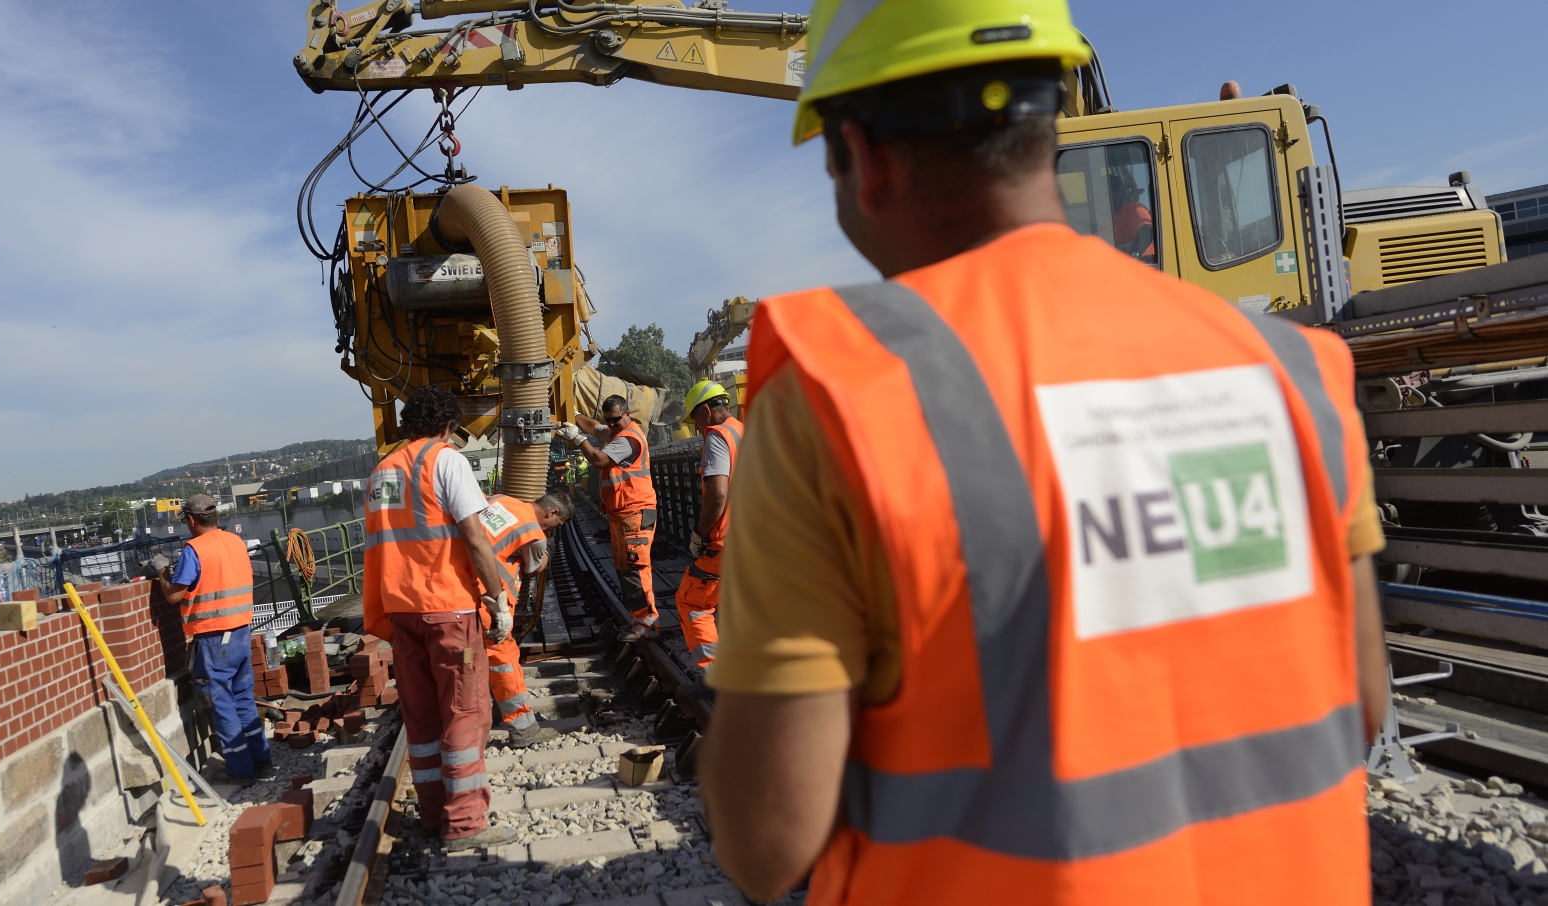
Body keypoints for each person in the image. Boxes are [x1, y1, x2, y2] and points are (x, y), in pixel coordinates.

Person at [699, 2, 1391, 903]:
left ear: (862, 160)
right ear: (1053, 122)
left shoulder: (839, 397)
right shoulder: (1294, 371)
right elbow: (1363, 700)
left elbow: (767, 843)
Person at [363, 385, 517, 850]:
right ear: (449, 426)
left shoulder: (380, 473)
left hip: (400, 610)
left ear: (408, 425)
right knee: (465, 713)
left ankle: (434, 814)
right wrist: (498, 598)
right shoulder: (446, 461)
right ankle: (466, 822)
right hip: (446, 608)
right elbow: (474, 538)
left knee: (424, 716)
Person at [152, 494, 268, 782]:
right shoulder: (234, 541)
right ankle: (261, 758)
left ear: (191, 520)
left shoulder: (195, 549)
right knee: (242, 698)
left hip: (215, 639)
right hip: (241, 631)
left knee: (221, 704)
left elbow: (173, 595)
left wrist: (161, 570)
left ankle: (240, 770)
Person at [475, 490, 575, 748]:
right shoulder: (533, 532)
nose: (555, 528)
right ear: (552, 512)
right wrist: (548, 552)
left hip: (455, 587)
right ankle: (522, 728)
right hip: (485, 597)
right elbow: (533, 568)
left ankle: (487, 708)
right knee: (502, 657)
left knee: (469, 655)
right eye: (558, 523)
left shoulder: (500, 500)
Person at [556, 396, 659, 641]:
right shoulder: (614, 432)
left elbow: (599, 460)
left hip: (635, 512)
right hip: (622, 513)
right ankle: (639, 620)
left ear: (627, 414)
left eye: (615, 419)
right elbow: (593, 426)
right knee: (625, 568)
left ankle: (648, 625)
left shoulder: (628, 439)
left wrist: (577, 438)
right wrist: (573, 414)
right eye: (608, 420)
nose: (611, 424)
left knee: (636, 567)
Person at [673, 380, 742, 681]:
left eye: (696, 421)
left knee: (693, 601)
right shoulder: (742, 430)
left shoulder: (716, 436)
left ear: (705, 411)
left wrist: (700, 535)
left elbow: (716, 493)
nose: (697, 428)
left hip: (725, 540)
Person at [1108, 171, 1155, 261]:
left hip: (1145, 263)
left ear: (1122, 193)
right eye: (1110, 194)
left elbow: (1147, 231)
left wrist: (1132, 257)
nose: (1114, 197)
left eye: (1117, 193)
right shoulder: (1109, 220)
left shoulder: (1132, 207)